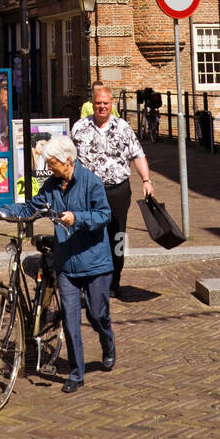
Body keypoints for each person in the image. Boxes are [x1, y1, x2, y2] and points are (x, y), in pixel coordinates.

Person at [0, 133, 114, 394]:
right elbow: (30, 208)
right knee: (70, 319)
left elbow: (104, 215)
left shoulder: (92, 182)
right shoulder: (51, 186)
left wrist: (76, 218)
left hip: (95, 262)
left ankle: (107, 341)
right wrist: (1, 211)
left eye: (53, 163)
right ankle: (77, 374)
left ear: (68, 161)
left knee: (97, 314)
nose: (49, 168)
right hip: (66, 262)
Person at [71, 84, 154, 300]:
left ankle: (115, 279)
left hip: (117, 190)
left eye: (105, 103)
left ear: (111, 104)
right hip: (89, 193)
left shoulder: (123, 127)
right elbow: (69, 160)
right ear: (93, 105)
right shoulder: (79, 128)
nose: (101, 107)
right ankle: (88, 280)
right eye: (98, 103)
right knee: (88, 235)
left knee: (117, 236)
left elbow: (138, 154)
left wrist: (146, 180)